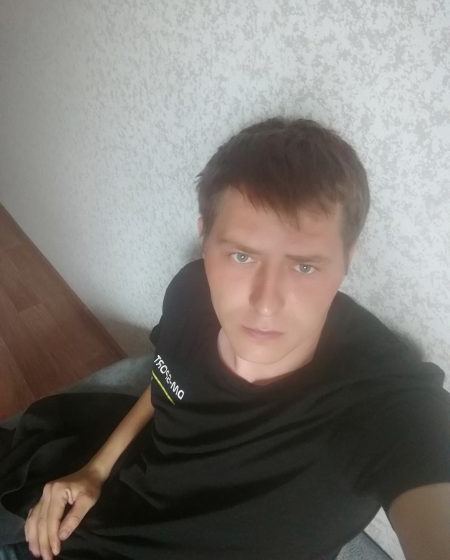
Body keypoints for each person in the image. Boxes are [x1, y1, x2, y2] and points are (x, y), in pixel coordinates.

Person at [1, 117, 449, 560]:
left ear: (348, 258)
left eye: (304, 266)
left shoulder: (386, 398)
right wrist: (96, 469)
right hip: (87, 528)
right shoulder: (191, 292)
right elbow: (165, 380)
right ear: (205, 238)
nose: (266, 303)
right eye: (241, 256)